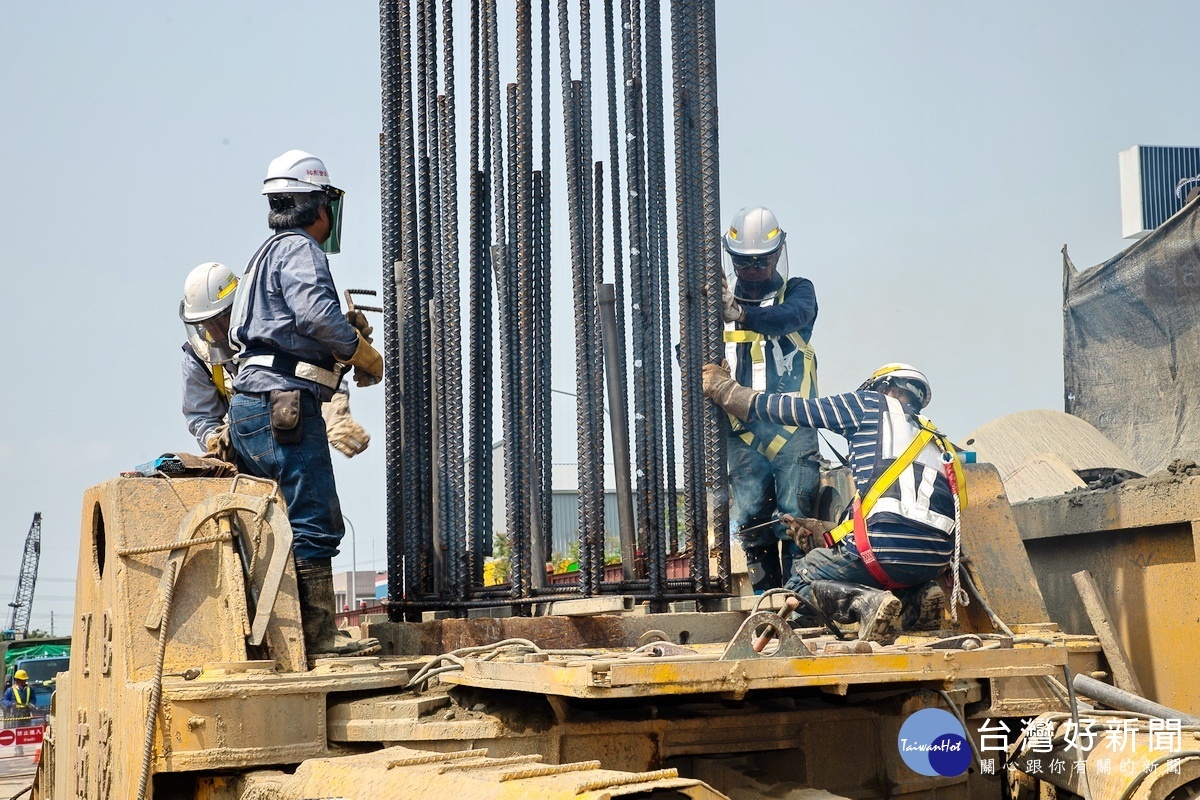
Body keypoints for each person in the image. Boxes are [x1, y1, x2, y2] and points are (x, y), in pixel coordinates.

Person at [227, 149, 384, 658]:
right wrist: (360, 351)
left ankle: (275, 638)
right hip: (284, 408)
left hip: (251, 408)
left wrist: (335, 346)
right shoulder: (300, 250)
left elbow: (283, 330)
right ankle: (318, 637)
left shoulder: (262, 256)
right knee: (315, 519)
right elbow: (314, 316)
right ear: (319, 206)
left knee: (274, 525)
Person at [703, 361, 962, 641]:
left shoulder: (869, 404)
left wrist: (726, 390)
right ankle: (918, 597)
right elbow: (895, 506)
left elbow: (794, 410)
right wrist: (824, 531)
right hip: (934, 561)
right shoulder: (937, 439)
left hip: (886, 550)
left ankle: (862, 602)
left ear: (883, 387)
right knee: (886, 564)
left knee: (802, 578)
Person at [719, 207, 821, 594]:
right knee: (753, 524)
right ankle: (767, 605)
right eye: (743, 262)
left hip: (793, 432)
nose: (752, 269)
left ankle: (799, 607)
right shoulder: (718, 308)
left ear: (778, 254)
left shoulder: (797, 292)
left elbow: (790, 317)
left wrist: (740, 314)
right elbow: (687, 352)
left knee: (797, 522)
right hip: (741, 436)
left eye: (760, 261)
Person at [179, 262, 372, 463]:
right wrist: (215, 440)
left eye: (221, 320)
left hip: (291, 432)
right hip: (247, 452)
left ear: (239, 308)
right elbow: (201, 416)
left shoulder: (271, 331)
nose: (217, 331)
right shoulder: (198, 359)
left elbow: (315, 368)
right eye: (208, 324)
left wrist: (334, 411)